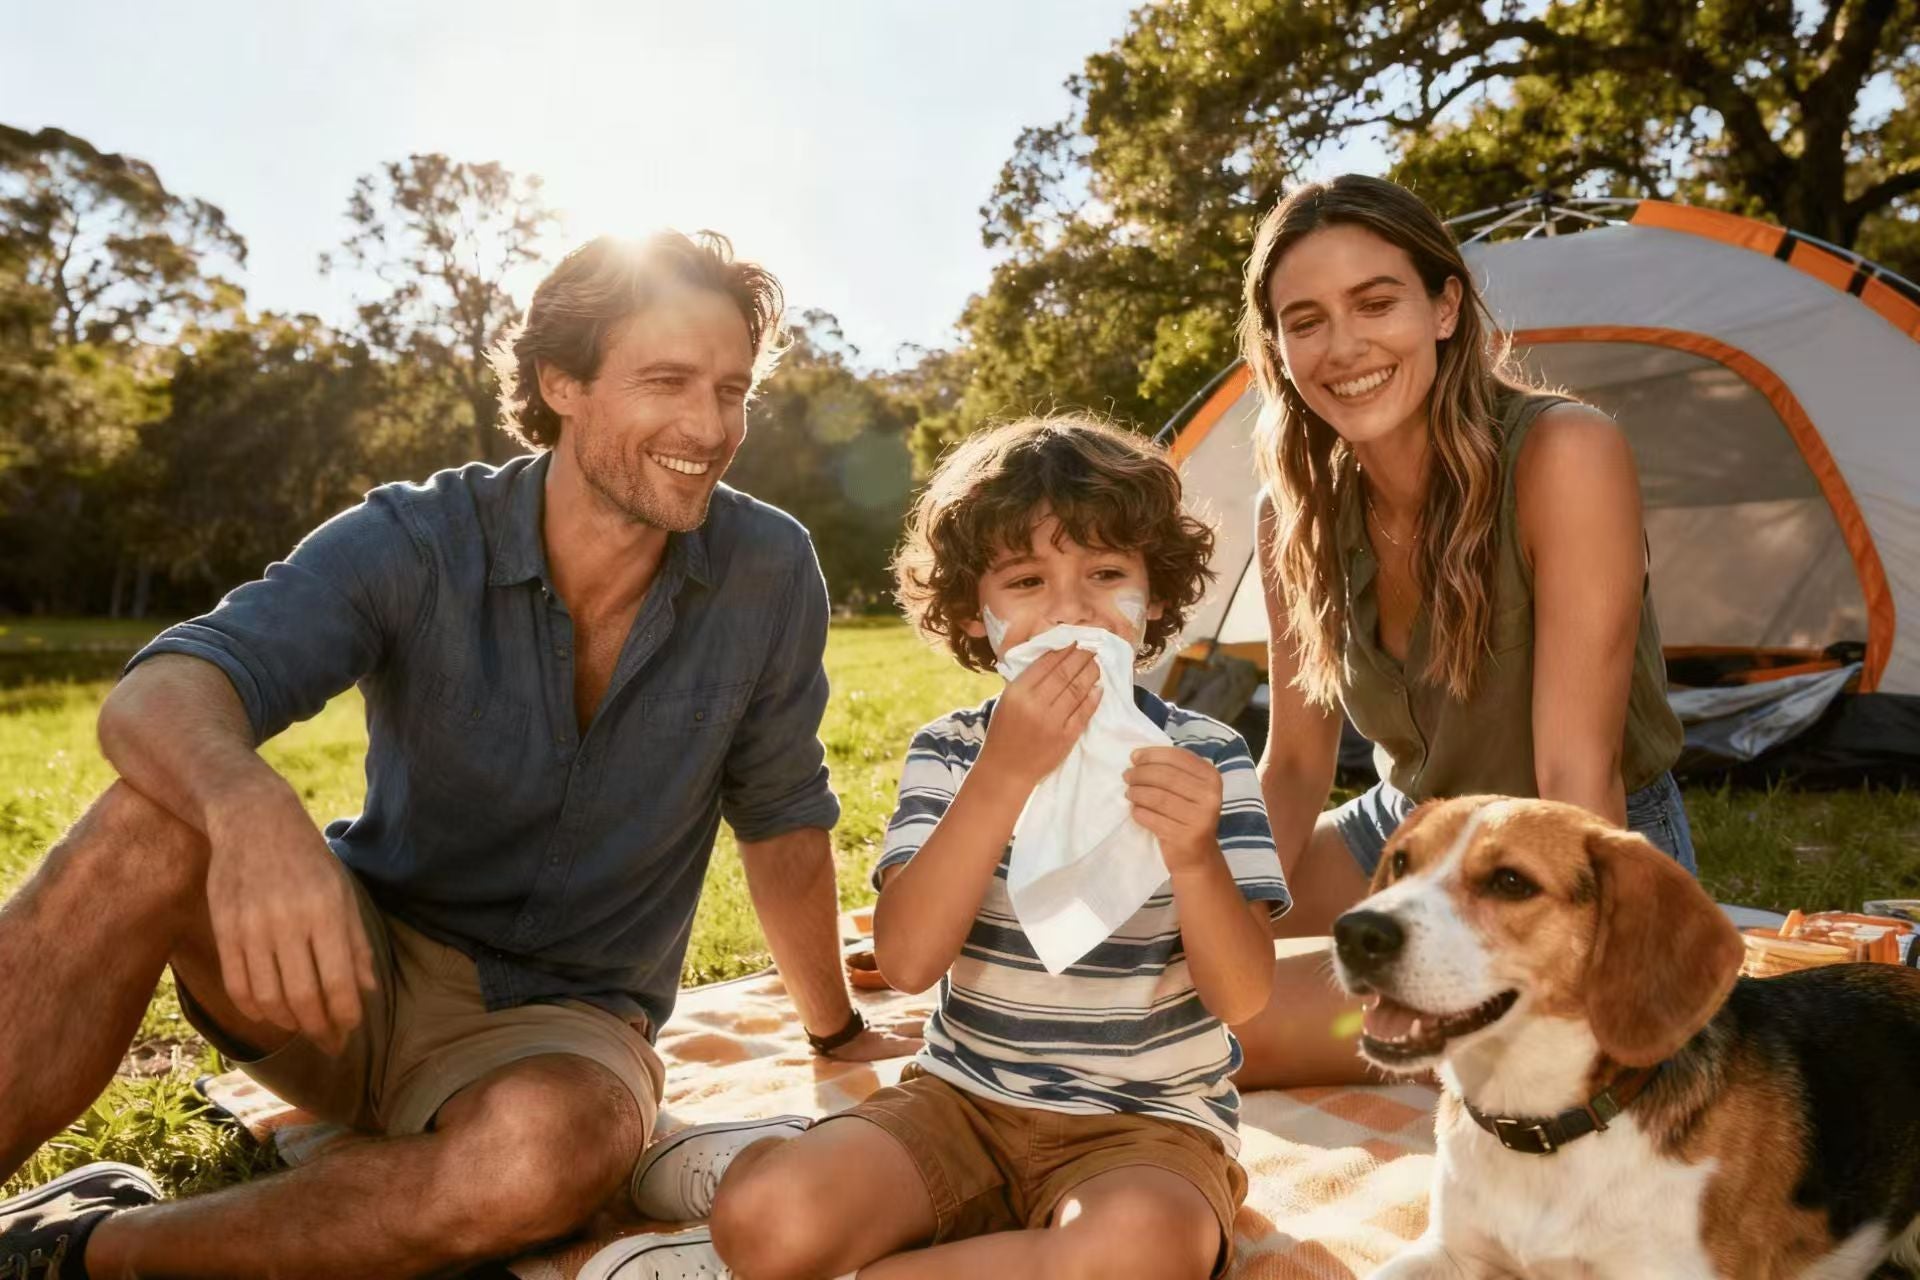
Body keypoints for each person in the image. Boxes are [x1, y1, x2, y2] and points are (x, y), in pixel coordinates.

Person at [0, 230, 910, 1279]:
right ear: (561, 382)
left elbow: (782, 814)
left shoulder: (769, 567)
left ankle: (77, 1250)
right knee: (149, 820)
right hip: (345, 975)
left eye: (732, 390)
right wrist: (248, 806)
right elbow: (165, 687)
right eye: (667, 381)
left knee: (546, 1153)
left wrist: (835, 1033)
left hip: (565, 1030)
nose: (709, 427)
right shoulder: (420, 536)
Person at [582, 415, 1291, 1280]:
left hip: (1147, 1133)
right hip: (960, 1105)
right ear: (972, 614)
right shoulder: (954, 753)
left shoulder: (1205, 756)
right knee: (768, 1217)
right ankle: (766, 1176)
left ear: (1157, 594)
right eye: (1026, 581)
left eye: (1107, 573)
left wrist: (1195, 858)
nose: (1072, 609)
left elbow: (1243, 995)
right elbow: (909, 962)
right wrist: (1003, 777)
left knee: (1137, 1254)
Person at [1223, 175, 1693, 1089]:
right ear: (1278, 347)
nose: (1344, 346)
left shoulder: (1566, 453)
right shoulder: (1294, 511)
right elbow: (1294, 767)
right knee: (1163, 957)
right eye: (1306, 320)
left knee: (1212, 1036)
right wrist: (1225, 928)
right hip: (1408, 827)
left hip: (1554, 856)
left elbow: (1575, 777)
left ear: (1444, 308)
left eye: (1376, 303)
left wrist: (1577, 983)